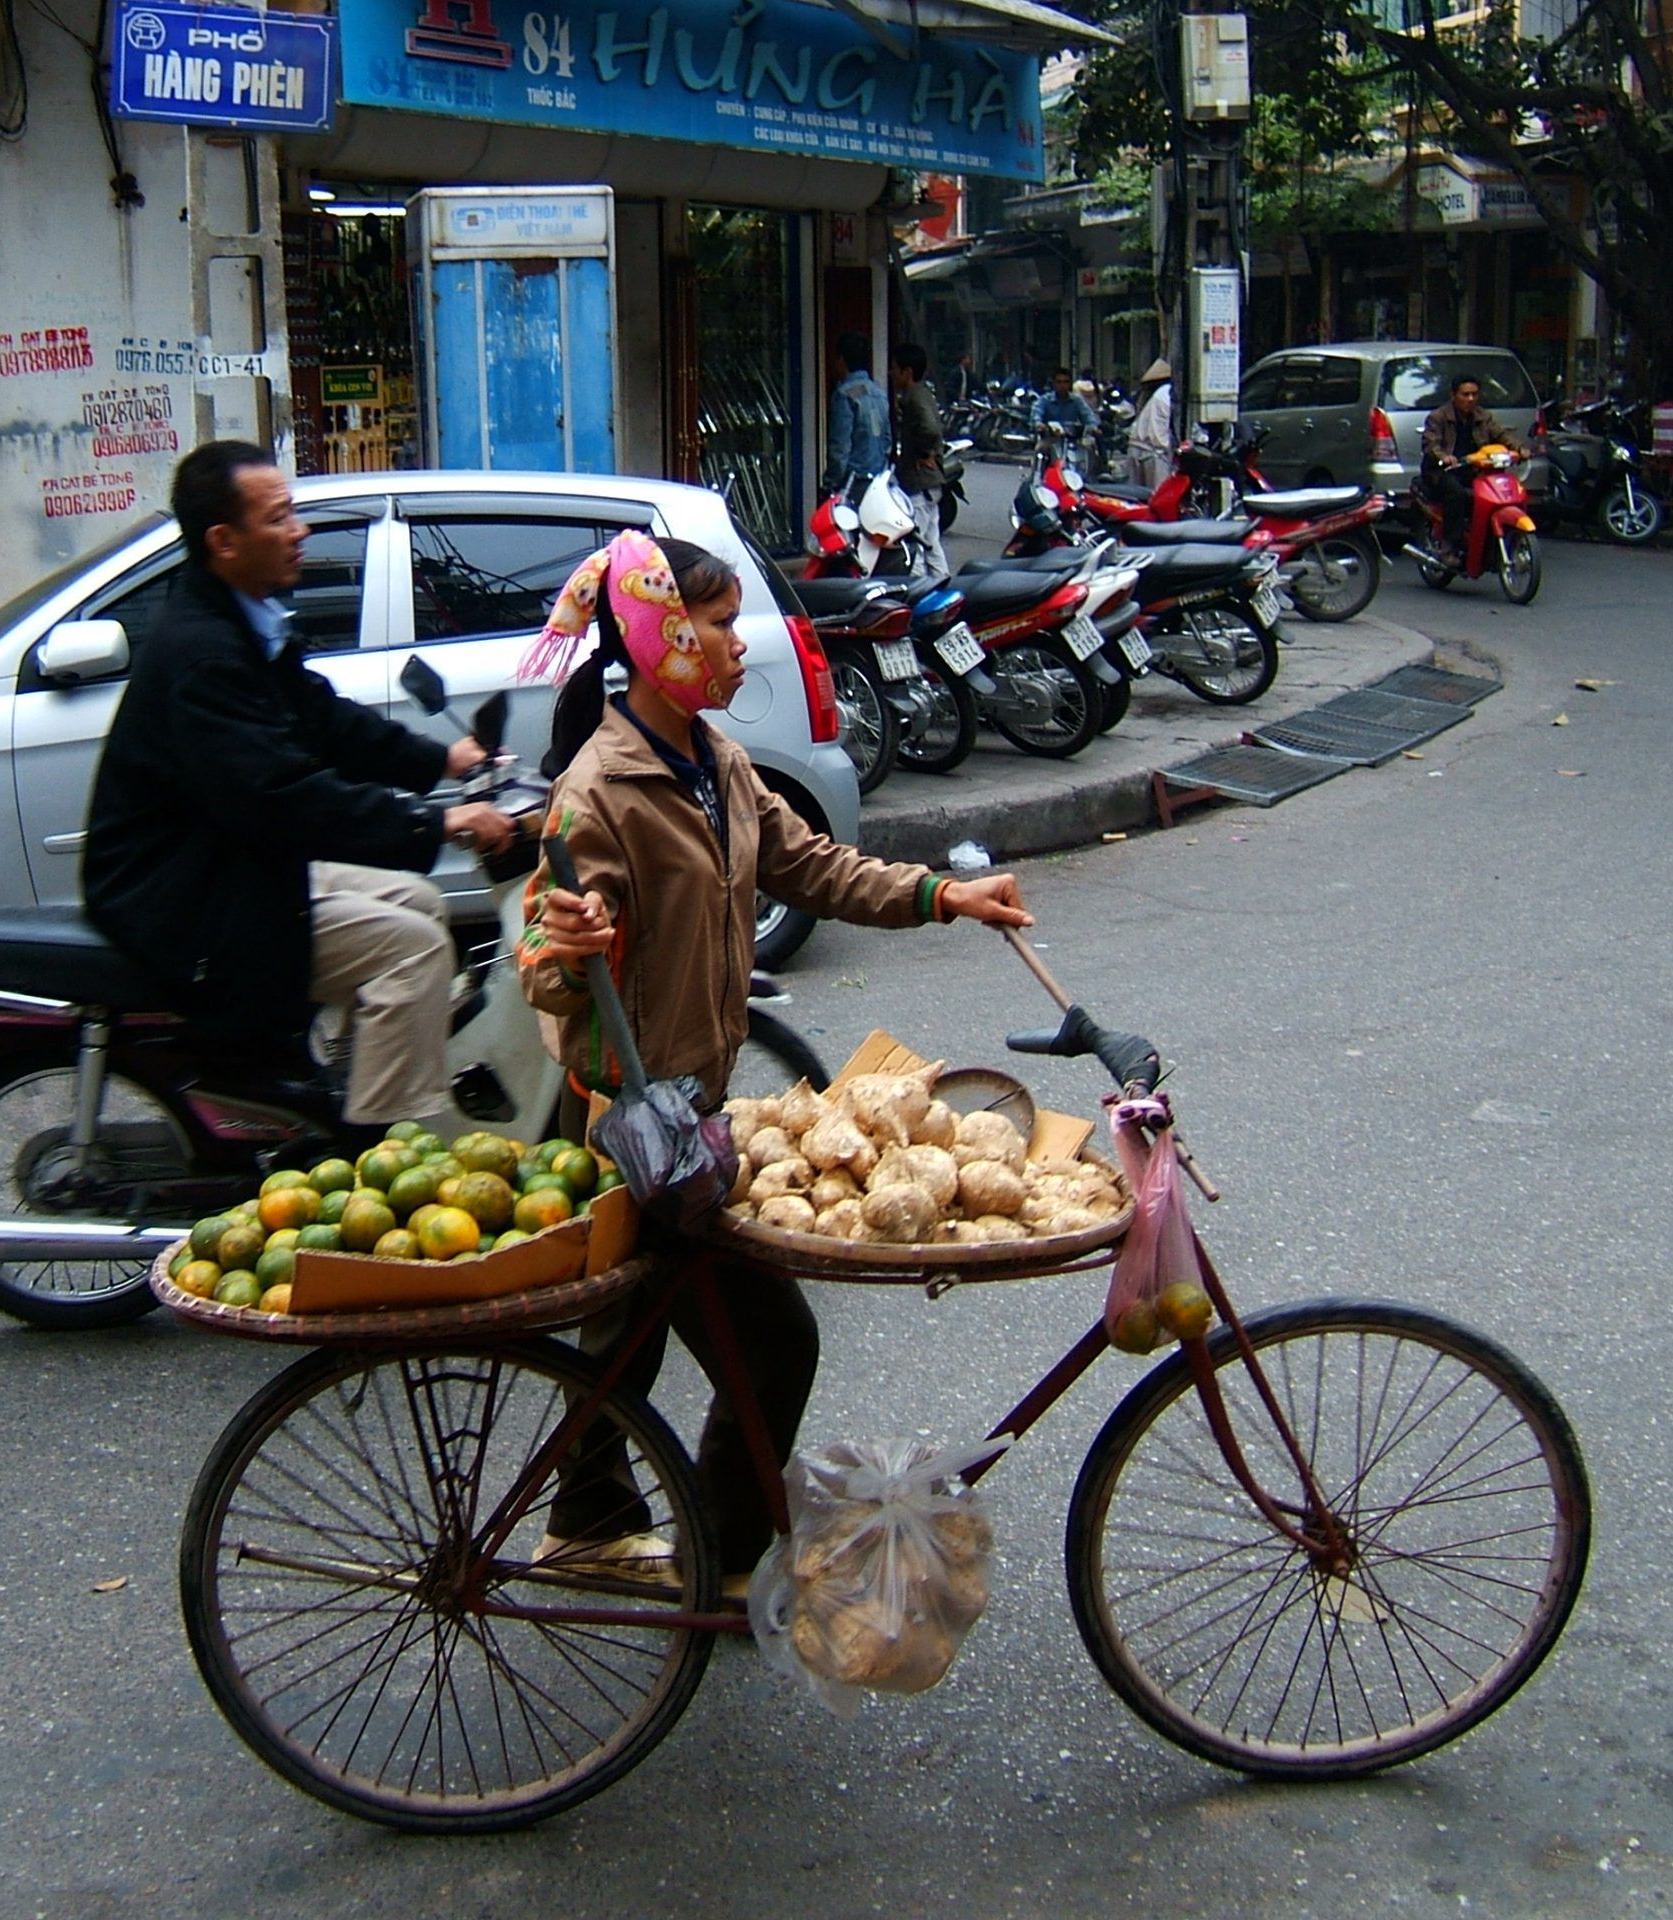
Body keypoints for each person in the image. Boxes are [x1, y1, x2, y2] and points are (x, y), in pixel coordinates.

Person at [516, 530, 1031, 1591]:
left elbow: (814, 867)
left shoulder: (716, 762)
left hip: (690, 1113)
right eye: (716, 623)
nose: (739, 645)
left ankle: (594, 1521)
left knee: (628, 1341)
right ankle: (712, 1560)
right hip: (626, 1129)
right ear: (663, 634)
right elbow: (550, 964)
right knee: (761, 1342)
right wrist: (566, 948)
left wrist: (943, 895)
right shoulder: (597, 792)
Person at [81, 439, 515, 1135]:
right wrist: (440, 826)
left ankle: (348, 1072)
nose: (300, 531)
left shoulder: (239, 620)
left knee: (417, 900)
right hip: (186, 900)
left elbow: (321, 718)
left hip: (223, 866)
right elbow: (280, 795)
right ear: (224, 541)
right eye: (280, 518)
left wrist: (443, 760)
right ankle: (379, 1150)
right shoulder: (206, 653)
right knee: (414, 947)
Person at [1420, 376, 1519, 562]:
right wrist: (1444, 457)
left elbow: (1501, 435)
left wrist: (1519, 448)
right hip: (1442, 472)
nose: (1470, 399)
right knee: (1457, 494)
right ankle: (1449, 546)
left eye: (1474, 394)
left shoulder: (1483, 416)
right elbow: (1431, 444)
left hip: (1473, 469)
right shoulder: (1438, 417)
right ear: (1454, 395)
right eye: (1465, 394)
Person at [889, 340, 951, 579]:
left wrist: (926, 454)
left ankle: (918, 593)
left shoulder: (916, 396)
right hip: (929, 485)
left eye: (895, 368)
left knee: (914, 545)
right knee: (931, 542)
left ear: (908, 372)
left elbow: (930, 429)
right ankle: (942, 584)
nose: (891, 373)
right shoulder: (921, 394)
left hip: (920, 484)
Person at [819, 330, 890, 500]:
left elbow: (841, 446)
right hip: (878, 481)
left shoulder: (844, 394)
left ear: (841, 360)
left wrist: (831, 482)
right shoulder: (879, 393)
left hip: (852, 484)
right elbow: (887, 440)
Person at [1127, 356, 1177, 491]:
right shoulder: (1167, 393)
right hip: (1155, 452)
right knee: (1158, 496)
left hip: (1136, 447)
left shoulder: (1150, 397)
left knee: (1136, 498)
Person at [1032, 365, 1099, 451]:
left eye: (1065, 382)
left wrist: (1093, 427)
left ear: (1070, 384)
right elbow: (1037, 414)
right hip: (1049, 440)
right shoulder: (1044, 400)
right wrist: (1039, 424)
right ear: (1054, 384)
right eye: (1059, 382)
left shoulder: (1076, 400)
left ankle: (1105, 462)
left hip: (1073, 441)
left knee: (1091, 450)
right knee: (1040, 450)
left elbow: (1087, 416)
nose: (1062, 385)